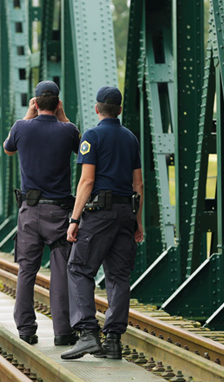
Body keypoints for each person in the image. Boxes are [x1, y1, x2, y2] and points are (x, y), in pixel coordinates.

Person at [61, 86, 144, 360]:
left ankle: (87, 334)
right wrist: (138, 222)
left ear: (97, 109)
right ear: (119, 109)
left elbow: (86, 181)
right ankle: (113, 341)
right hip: (125, 214)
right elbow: (138, 184)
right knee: (119, 276)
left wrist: (74, 219)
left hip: (99, 214)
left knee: (79, 269)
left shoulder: (92, 136)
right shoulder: (131, 138)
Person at [3, 80, 81, 346]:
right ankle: (63, 332)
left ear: (35, 103)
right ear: (58, 103)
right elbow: (81, 147)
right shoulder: (68, 130)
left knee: (26, 270)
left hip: (30, 212)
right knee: (61, 273)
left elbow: (8, 147)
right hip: (59, 213)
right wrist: (63, 116)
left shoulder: (21, 127)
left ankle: (26, 329)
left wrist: (28, 115)